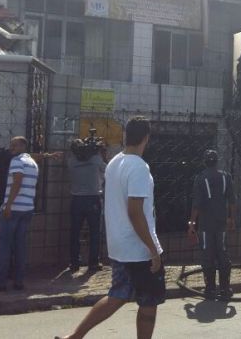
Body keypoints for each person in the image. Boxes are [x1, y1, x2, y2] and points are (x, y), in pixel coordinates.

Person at [57, 117, 164, 339]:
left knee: (117, 295)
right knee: (148, 303)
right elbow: (135, 212)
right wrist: (153, 249)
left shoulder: (116, 162)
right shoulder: (139, 168)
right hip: (138, 248)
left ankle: (75, 336)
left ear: (126, 136)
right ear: (146, 138)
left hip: (118, 245)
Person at [0, 128, 60, 276]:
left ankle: (7, 270)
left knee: (4, 237)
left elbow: (28, 157)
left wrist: (47, 155)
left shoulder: (3, 155)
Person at [0, 137, 38, 291]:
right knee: (20, 246)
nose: (11, 148)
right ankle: (19, 281)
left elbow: (17, 181)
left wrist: (8, 205)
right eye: (11, 145)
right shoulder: (33, 163)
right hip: (27, 209)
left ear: (23, 145)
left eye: (15, 145)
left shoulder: (16, 161)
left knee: (4, 246)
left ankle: (0, 282)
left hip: (14, 209)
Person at [187, 149, 236, 301]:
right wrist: (231, 218)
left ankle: (210, 289)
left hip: (206, 225)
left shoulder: (200, 178)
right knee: (222, 254)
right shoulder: (226, 177)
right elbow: (232, 200)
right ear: (216, 161)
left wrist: (191, 224)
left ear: (204, 161)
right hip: (221, 223)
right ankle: (225, 289)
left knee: (207, 255)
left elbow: (196, 205)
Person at [67, 138, 107, 272]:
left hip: (76, 199)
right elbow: (107, 171)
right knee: (95, 232)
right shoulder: (96, 159)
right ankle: (93, 263)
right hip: (93, 198)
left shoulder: (72, 161)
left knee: (75, 232)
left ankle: (74, 262)